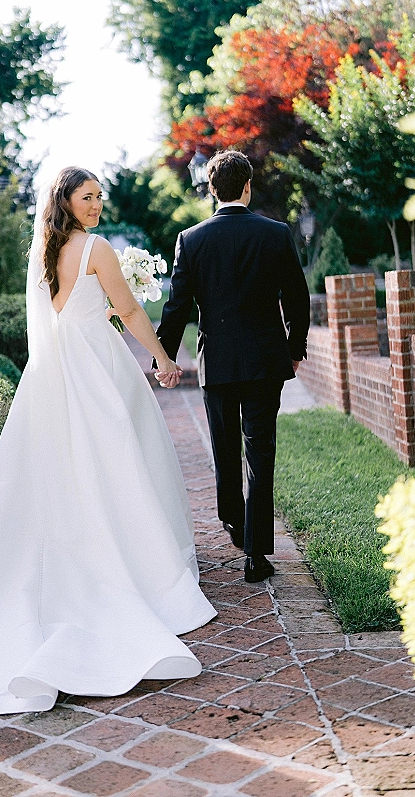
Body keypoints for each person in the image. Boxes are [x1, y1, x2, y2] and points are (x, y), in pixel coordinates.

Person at [0, 166, 216, 714]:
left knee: (71, 467)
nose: (97, 205)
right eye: (87, 197)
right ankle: (135, 566)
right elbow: (132, 310)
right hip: (95, 366)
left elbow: (55, 320)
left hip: (55, 371)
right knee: (118, 460)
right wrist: (164, 359)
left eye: (99, 197)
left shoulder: (42, 251)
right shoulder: (96, 249)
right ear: (65, 201)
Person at [156, 150, 310, 583]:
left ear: (210, 190)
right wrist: (295, 348)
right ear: (247, 186)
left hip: (218, 364)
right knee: (261, 454)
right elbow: (297, 298)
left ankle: (234, 525)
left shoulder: (191, 239)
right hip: (265, 361)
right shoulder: (276, 234)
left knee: (224, 451)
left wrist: (163, 357)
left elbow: (177, 306)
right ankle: (257, 554)